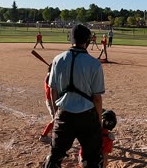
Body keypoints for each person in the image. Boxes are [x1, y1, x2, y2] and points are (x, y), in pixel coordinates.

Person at [44, 24, 105, 168]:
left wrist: (55, 113)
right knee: (94, 159)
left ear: (71, 39)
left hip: (64, 115)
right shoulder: (94, 64)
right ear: (88, 40)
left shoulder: (58, 59)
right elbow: (97, 98)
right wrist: (98, 119)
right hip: (87, 116)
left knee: (54, 158)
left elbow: (53, 91)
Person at [39, 64, 54, 144]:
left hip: (54, 100)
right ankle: (43, 136)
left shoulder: (50, 76)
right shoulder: (49, 77)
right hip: (51, 101)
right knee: (55, 119)